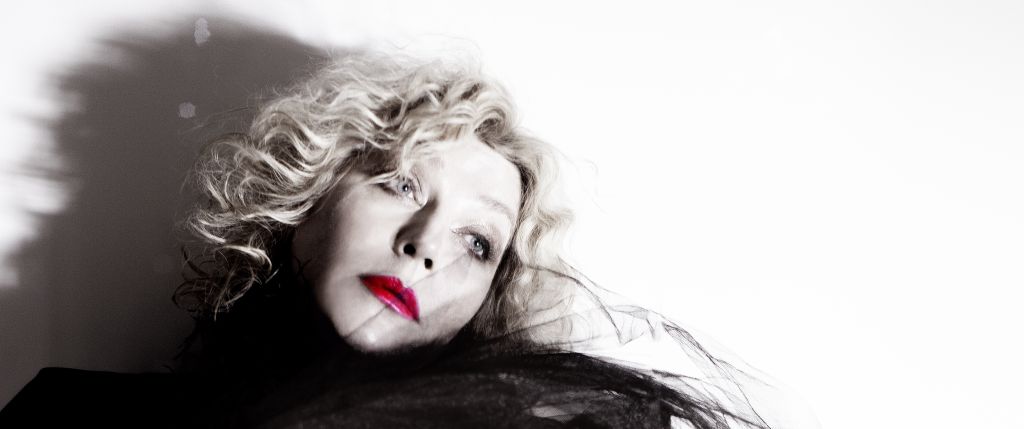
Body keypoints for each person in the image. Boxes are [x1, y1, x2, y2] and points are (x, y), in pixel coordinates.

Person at [2, 53, 789, 428]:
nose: (425, 245)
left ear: (489, 300)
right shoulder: (73, 413)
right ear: (309, 198)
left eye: (477, 242)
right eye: (401, 184)